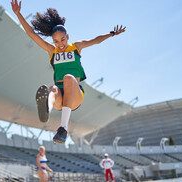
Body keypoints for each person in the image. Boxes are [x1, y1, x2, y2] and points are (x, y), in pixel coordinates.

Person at [11, 0, 126, 144]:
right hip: (60, 95)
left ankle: (63, 128)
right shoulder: (51, 51)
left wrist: (112, 34)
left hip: (75, 93)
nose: (60, 44)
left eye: (62, 40)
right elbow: (32, 34)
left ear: (68, 37)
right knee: (52, 88)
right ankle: (47, 108)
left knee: (68, 77)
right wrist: (18, 14)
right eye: (56, 41)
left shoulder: (76, 47)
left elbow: (96, 40)